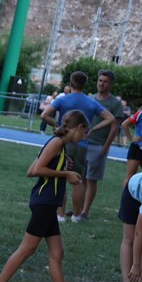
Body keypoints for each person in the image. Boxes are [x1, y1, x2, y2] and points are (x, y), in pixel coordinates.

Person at [0, 110, 92, 282]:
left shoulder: (60, 145)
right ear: (79, 127)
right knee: (27, 248)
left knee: (57, 253)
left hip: (49, 204)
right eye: (85, 132)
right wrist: (65, 173)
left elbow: (38, 164)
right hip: (44, 202)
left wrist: (62, 166)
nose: (85, 136)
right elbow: (33, 170)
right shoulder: (56, 142)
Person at [39, 71, 115, 222]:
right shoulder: (90, 102)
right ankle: (76, 215)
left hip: (64, 143)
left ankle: (60, 214)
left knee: (60, 176)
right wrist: (92, 129)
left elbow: (44, 115)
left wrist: (57, 125)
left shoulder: (63, 99)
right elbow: (110, 118)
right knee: (78, 181)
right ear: (84, 84)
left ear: (71, 83)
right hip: (82, 145)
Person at [78, 70, 125, 221]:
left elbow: (114, 127)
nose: (101, 84)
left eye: (105, 81)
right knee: (81, 178)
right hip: (83, 143)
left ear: (110, 84)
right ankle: (78, 209)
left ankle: (85, 212)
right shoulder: (90, 99)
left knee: (91, 179)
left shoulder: (115, 104)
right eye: (100, 80)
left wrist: (106, 146)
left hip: (98, 145)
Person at [120, 98, 142, 190]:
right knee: (130, 174)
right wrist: (131, 138)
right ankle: (125, 198)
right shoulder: (141, 114)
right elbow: (124, 124)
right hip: (137, 147)